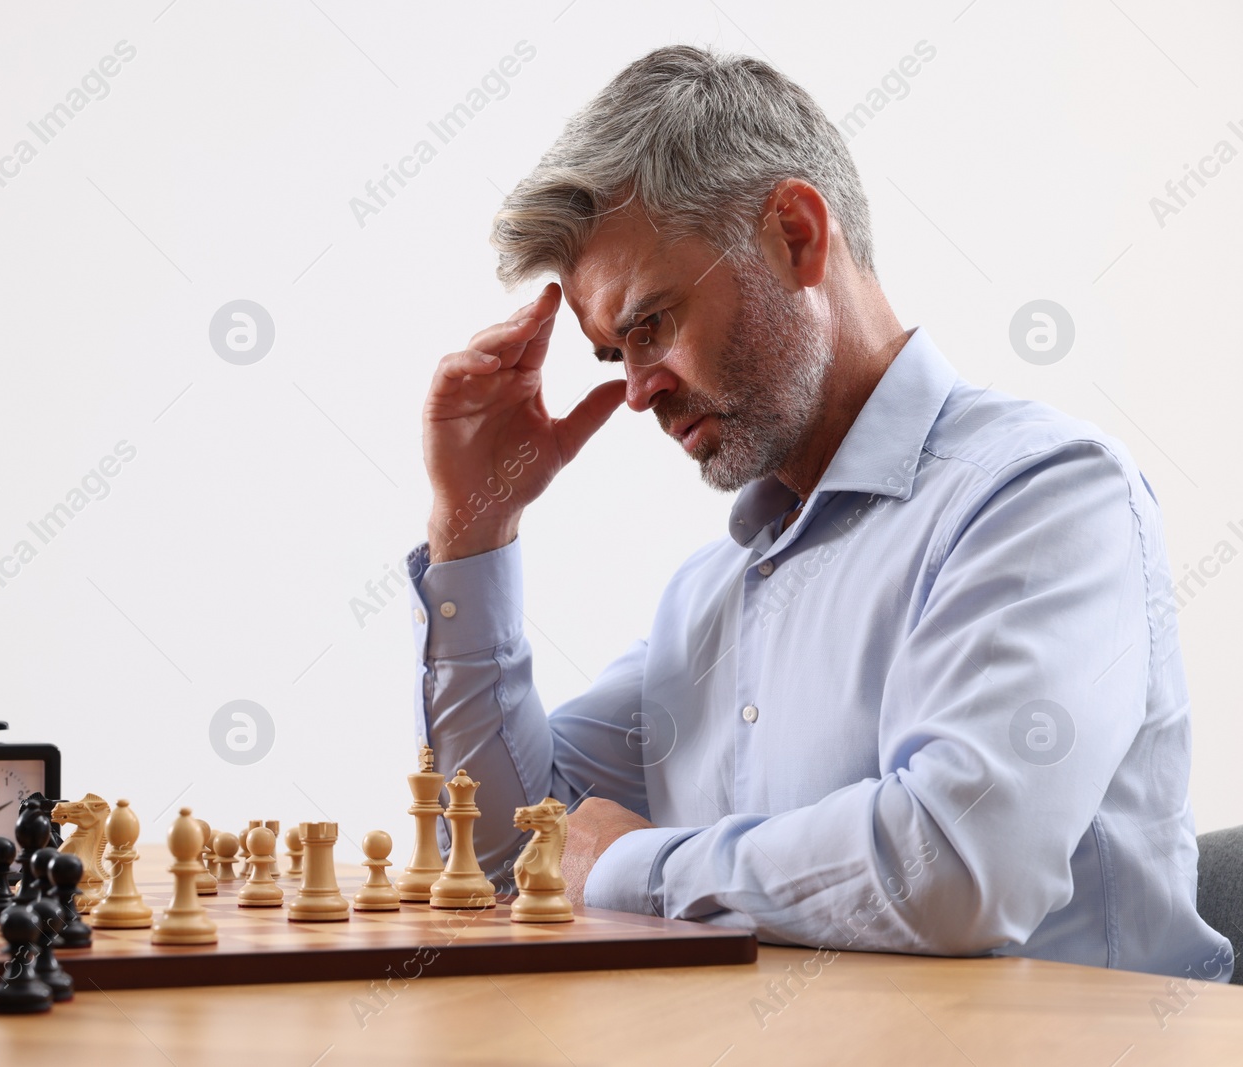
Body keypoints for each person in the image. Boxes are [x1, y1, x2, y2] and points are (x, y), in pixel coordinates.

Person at [407, 44, 1231, 981]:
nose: (636, 392)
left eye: (651, 325)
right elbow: (508, 851)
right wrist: (472, 527)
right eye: (614, 355)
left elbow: (956, 869)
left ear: (795, 234)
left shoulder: (1045, 497)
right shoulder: (707, 600)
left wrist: (628, 868)